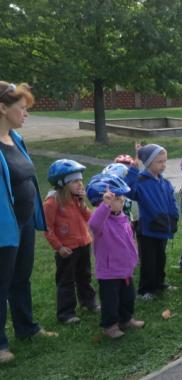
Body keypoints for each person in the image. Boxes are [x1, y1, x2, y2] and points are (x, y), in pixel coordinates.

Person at [0, 81, 56, 363]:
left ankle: (26, 328)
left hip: (22, 223)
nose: (26, 114)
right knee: (2, 282)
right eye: (21, 108)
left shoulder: (15, 139)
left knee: (20, 278)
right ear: (2, 108)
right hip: (3, 228)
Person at [87, 174, 144, 339]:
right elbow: (93, 224)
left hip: (125, 269)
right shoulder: (101, 223)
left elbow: (129, 241)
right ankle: (110, 325)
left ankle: (126, 319)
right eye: (118, 198)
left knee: (128, 298)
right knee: (110, 302)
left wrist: (134, 258)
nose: (123, 200)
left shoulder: (123, 217)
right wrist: (105, 205)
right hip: (109, 273)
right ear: (104, 201)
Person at [43, 159, 98, 324]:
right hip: (66, 249)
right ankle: (66, 313)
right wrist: (58, 247)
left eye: (80, 180)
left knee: (84, 276)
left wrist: (82, 202)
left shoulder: (76, 199)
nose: (80, 184)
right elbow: (47, 228)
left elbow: (89, 218)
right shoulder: (52, 202)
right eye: (75, 181)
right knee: (66, 281)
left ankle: (88, 302)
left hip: (83, 244)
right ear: (61, 183)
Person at [125, 143, 179, 300]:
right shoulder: (141, 181)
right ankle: (145, 289)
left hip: (163, 227)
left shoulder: (165, 182)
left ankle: (160, 283)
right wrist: (134, 168)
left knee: (160, 257)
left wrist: (174, 217)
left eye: (164, 161)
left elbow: (171, 202)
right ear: (148, 163)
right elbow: (128, 189)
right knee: (149, 260)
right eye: (159, 161)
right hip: (148, 229)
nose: (163, 165)